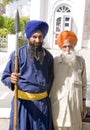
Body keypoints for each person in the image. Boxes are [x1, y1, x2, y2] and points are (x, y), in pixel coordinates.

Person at [1, 20, 54, 130]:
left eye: (40, 37)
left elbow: (51, 79)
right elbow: (5, 76)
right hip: (22, 105)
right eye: (34, 37)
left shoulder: (49, 57)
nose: (37, 40)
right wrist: (12, 79)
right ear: (29, 37)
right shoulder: (18, 54)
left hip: (42, 105)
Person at [50, 30, 87, 130]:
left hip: (75, 108)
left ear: (74, 46)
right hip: (58, 108)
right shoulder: (54, 62)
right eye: (64, 47)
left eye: (70, 46)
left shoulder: (80, 62)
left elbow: (84, 85)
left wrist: (83, 104)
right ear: (61, 47)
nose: (68, 49)